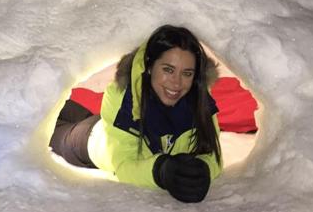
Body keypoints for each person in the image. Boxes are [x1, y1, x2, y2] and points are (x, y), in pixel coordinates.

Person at [49, 24, 222, 203]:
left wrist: (203, 169)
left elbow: (212, 154)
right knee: (51, 128)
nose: (176, 83)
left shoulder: (200, 100)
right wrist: (160, 171)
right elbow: (123, 165)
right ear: (149, 66)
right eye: (168, 70)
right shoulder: (123, 96)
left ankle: (64, 106)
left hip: (106, 124)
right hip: (91, 141)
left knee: (75, 114)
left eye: (187, 73)